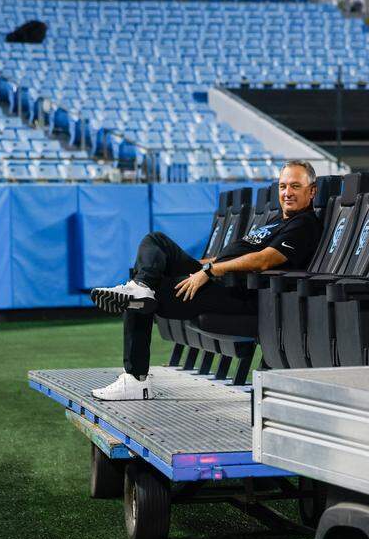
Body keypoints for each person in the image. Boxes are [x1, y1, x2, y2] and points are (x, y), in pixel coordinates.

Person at [87, 160, 323, 400]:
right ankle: (141, 287)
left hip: (236, 291)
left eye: (295, 186)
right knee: (156, 242)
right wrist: (205, 266)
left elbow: (263, 260)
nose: (287, 193)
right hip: (218, 278)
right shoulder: (276, 221)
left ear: (312, 191)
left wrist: (210, 271)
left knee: (138, 296)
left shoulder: (304, 225)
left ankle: (136, 377)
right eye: (283, 186)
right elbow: (228, 256)